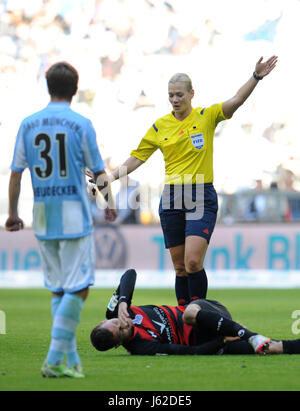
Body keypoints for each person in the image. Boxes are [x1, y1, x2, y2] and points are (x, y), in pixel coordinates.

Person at [94, 56, 278, 306]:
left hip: (200, 193)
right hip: (171, 197)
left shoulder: (206, 116)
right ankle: (184, 317)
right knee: (180, 267)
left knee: (193, 261)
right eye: (171, 95)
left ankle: (199, 313)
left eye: (180, 94)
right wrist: (111, 177)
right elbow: (138, 157)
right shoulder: (160, 126)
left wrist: (255, 77)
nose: (175, 100)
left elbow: (236, 100)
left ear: (192, 93)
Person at [5, 62, 117, 378]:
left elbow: (16, 173)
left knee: (58, 289)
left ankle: (69, 361)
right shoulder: (81, 123)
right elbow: (98, 172)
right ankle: (54, 358)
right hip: (73, 215)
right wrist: (109, 203)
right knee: (79, 289)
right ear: (76, 89)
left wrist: (13, 213)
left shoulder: (28, 124)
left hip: (42, 214)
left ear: (47, 86)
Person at [90, 269, 300, 356]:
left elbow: (130, 274)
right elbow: (190, 352)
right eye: (121, 330)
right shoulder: (141, 347)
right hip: (207, 337)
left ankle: (250, 335)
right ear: (119, 344)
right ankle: (262, 341)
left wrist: (123, 302)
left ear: (104, 320)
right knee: (268, 348)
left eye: (117, 323)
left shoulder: (115, 311)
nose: (123, 323)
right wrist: (223, 341)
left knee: (188, 314)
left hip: (204, 310)